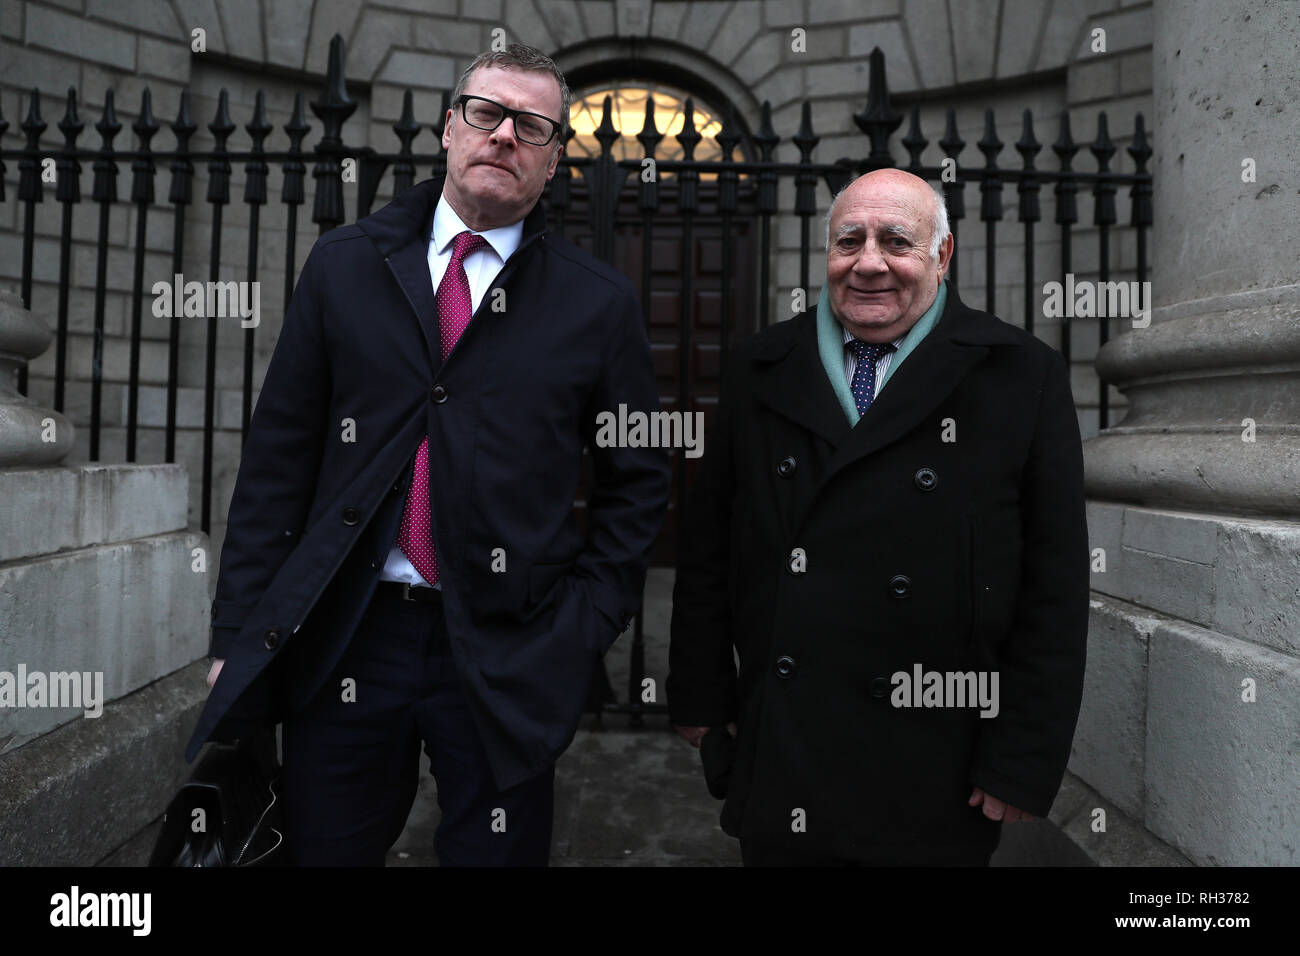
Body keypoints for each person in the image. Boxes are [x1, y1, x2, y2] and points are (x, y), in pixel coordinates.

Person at [186, 43, 670, 866]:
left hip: (507, 648)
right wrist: (236, 629)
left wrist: (582, 628)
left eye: (532, 125)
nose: (504, 136)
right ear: (450, 129)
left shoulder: (598, 303)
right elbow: (277, 461)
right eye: (486, 114)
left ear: (553, 161)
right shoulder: (346, 265)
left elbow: (638, 483)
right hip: (349, 635)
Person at [667, 168, 1088, 866]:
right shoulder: (760, 365)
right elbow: (709, 547)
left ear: (942, 256)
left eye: (896, 241)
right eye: (848, 241)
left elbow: (1056, 585)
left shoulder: (1020, 375)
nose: (868, 263)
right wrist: (700, 698)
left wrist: (1023, 757)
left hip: (936, 757)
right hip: (786, 745)